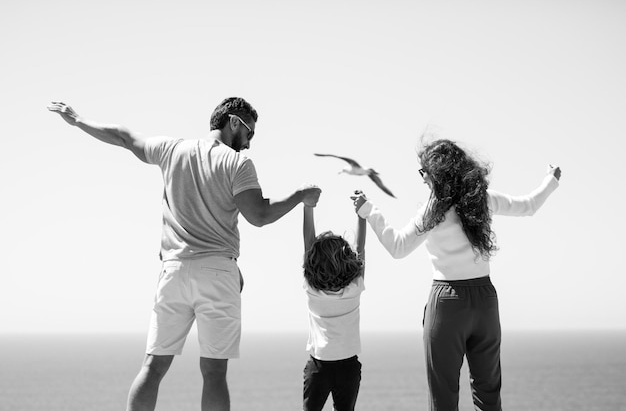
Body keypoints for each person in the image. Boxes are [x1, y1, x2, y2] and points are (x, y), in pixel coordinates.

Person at [47, 98, 322, 411]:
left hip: (174, 271)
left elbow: (124, 137)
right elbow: (258, 215)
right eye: (250, 133)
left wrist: (78, 120)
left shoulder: (171, 149)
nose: (249, 143)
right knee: (215, 372)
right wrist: (301, 196)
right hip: (218, 274)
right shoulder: (237, 163)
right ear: (233, 122)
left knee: (152, 367)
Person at [351, 139, 561, 411]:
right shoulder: (483, 199)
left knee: (443, 397)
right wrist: (551, 180)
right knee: (488, 396)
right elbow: (529, 206)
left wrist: (369, 211)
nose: (422, 178)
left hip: (447, 302)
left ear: (437, 173)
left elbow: (398, 247)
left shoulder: (434, 209)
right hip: (485, 301)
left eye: (423, 171)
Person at [301, 192, 367, 411]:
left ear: (312, 262)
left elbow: (308, 244)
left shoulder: (313, 290)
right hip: (348, 366)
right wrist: (361, 214)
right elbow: (361, 250)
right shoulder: (354, 288)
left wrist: (308, 206)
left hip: (319, 366)